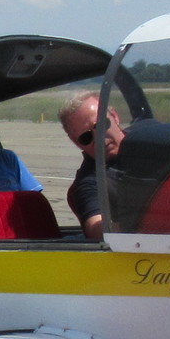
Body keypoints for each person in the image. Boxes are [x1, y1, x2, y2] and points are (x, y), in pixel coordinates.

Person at [58, 90, 125, 237]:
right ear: (76, 142)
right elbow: (96, 226)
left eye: (101, 125)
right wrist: (144, 223)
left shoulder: (148, 139)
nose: (99, 139)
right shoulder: (89, 181)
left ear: (114, 116)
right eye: (86, 137)